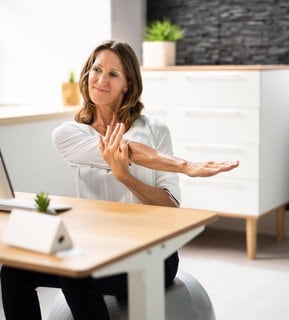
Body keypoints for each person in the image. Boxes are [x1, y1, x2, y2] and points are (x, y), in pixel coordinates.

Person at [1, 40, 239, 320]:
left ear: (128, 84)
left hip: (153, 256)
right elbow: (124, 151)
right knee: (14, 272)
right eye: (97, 69)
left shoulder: (155, 130)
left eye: (113, 74)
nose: (101, 80)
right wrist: (185, 165)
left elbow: (170, 207)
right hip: (96, 248)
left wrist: (125, 176)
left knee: (76, 274)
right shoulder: (69, 134)